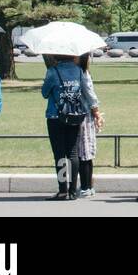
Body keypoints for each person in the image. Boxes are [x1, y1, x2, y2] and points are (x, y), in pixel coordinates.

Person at [41, 53, 96, 199]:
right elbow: (85, 90)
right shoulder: (79, 71)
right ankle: (72, 190)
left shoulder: (53, 71)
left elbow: (44, 93)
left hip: (55, 116)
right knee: (72, 153)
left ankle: (62, 189)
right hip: (74, 116)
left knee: (59, 155)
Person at [77, 53, 102, 198]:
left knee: (84, 152)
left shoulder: (81, 72)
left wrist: (96, 111)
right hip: (85, 113)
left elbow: (89, 93)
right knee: (86, 151)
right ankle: (88, 186)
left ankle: (86, 186)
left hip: (83, 114)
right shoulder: (83, 71)